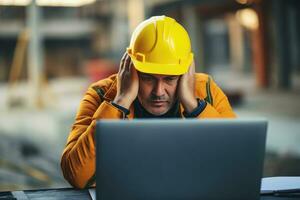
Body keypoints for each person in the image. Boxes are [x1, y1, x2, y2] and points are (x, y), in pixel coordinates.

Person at [61, 16, 236, 188]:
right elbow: (76, 175)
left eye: (170, 79)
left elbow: (236, 163)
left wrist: (194, 106)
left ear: (186, 72)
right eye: (147, 78)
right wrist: (119, 102)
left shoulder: (206, 90)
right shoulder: (100, 94)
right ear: (130, 68)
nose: (158, 92)